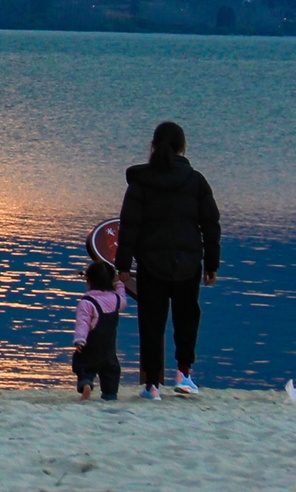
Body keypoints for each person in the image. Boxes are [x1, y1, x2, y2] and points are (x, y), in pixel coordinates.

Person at [114, 120, 221, 401]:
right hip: (187, 262)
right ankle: (184, 376)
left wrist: (123, 265)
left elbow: (129, 225)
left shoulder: (141, 182)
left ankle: (152, 386)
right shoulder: (195, 180)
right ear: (183, 148)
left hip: (151, 263)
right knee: (187, 319)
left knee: (151, 323)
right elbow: (210, 224)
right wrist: (211, 264)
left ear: (153, 146)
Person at [71, 260, 127, 400]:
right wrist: (119, 284)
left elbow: (82, 323)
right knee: (111, 370)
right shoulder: (116, 299)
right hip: (109, 347)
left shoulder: (87, 302)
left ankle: (86, 384)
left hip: (91, 345)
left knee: (83, 364)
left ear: (89, 281)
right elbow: (123, 300)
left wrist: (80, 340)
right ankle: (110, 394)